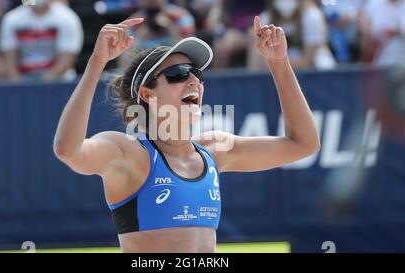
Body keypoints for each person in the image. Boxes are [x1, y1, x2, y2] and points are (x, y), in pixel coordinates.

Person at [53, 16, 320, 252]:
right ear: (147, 94)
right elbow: (68, 149)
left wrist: (279, 63)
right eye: (178, 73)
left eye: (197, 74)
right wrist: (97, 62)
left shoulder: (214, 150)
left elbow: (304, 143)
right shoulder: (129, 153)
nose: (194, 81)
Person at [0, 0, 83, 82]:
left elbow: (67, 60)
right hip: (23, 80)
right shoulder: (11, 19)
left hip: (59, 81)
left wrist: (43, 84)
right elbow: (9, 61)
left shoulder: (68, 18)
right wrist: (19, 86)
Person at [248, 0, 336, 71]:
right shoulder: (265, 18)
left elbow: (307, 61)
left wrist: (275, 62)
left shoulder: (312, 16)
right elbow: (256, 64)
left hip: (313, 76)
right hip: (276, 76)